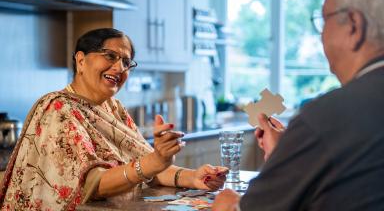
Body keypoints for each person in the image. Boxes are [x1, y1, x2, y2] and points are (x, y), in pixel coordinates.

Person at [213, 0, 384, 211]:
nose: (321, 35)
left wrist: (229, 204)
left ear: (354, 26)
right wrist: (290, 154)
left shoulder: (328, 117)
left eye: (323, 20)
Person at [0, 28, 228, 210]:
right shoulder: (58, 108)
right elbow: (90, 185)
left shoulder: (113, 107)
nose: (119, 67)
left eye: (126, 62)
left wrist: (193, 177)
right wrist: (154, 161)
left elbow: (146, 165)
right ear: (81, 61)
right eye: (110, 56)